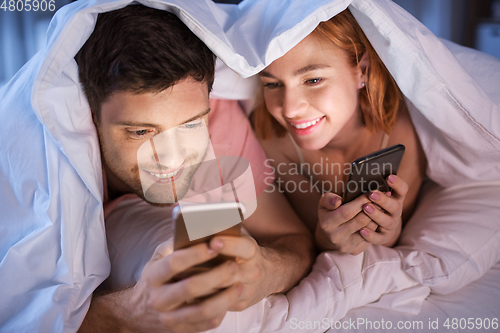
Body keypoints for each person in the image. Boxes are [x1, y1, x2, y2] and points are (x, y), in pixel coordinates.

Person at [0, 3, 314, 332]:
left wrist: (266, 271)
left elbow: (292, 240)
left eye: (190, 125)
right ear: (90, 116)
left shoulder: (219, 123)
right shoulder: (39, 158)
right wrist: (131, 310)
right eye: (141, 132)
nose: (172, 158)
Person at [252, 8, 427, 254]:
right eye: (272, 84)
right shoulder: (271, 140)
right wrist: (324, 238)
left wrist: (390, 232)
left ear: (362, 70)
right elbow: (313, 239)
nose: (290, 109)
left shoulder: (405, 132)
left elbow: (390, 238)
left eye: (313, 80)